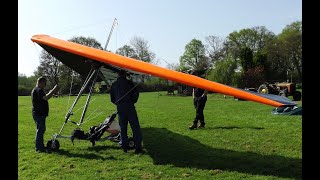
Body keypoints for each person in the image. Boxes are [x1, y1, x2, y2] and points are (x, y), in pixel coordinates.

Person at [110, 70, 144, 154]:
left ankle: (124, 146)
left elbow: (112, 99)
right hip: (129, 107)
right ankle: (138, 146)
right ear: (125, 74)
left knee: (123, 127)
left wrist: (119, 104)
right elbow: (136, 94)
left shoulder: (114, 85)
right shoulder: (129, 83)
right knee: (135, 126)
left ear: (118, 74)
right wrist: (132, 101)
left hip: (120, 108)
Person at [31, 77, 59, 153]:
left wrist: (51, 92)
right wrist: (53, 90)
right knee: (40, 130)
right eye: (45, 83)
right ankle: (39, 148)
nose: (45, 85)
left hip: (38, 113)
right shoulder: (39, 90)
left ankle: (40, 146)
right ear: (41, 82)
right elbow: (46, 98)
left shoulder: (36, 90)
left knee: (41, 130)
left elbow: (43, 98)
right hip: (39, 114)